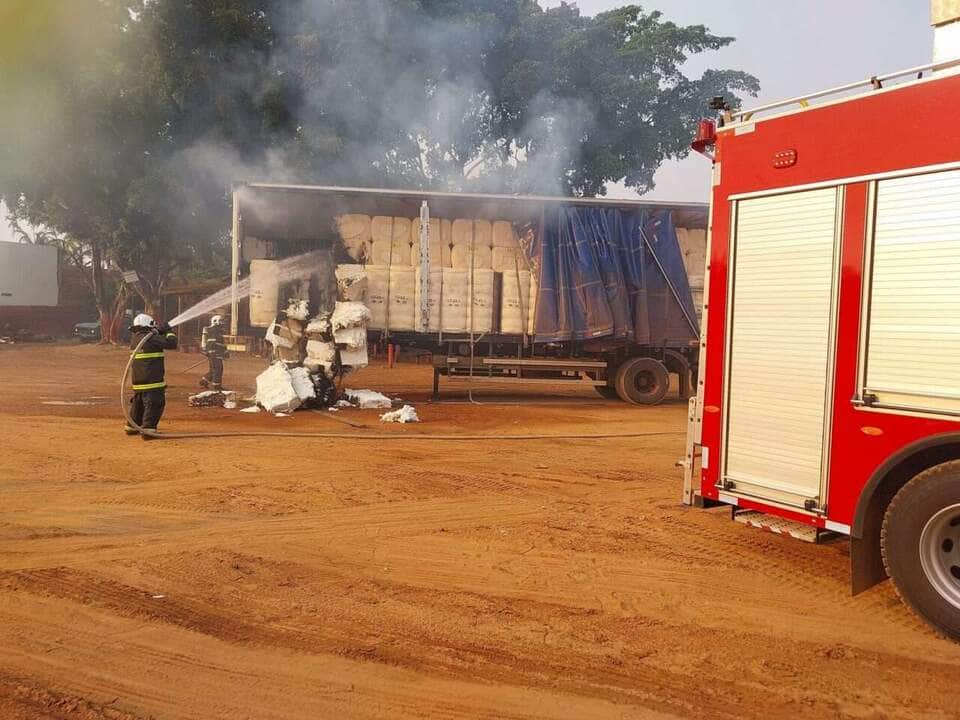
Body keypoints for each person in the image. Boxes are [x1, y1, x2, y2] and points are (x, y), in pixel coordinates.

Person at [125, 313, 177, 438]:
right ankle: (148, 430)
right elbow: (172, 343)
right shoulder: (150, 338)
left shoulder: (136, 339)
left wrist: (158, 332)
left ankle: (132, 426)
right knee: (155, 403)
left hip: (138, 380)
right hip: (152, 380)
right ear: (149, 325)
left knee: (139, 403)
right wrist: (168, 331)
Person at [199, 314, 228, 390]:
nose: (223, 323)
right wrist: (213, 352)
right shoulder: (214, 331)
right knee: (218, 368)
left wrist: (225, 352)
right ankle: (217, 385)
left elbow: (221, 344)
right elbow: (212, 343)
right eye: (221, 321)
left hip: (214, 353)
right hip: (215, 353)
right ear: (216, 322)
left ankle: (204, 381)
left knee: (213, 369)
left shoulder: (216, 331)